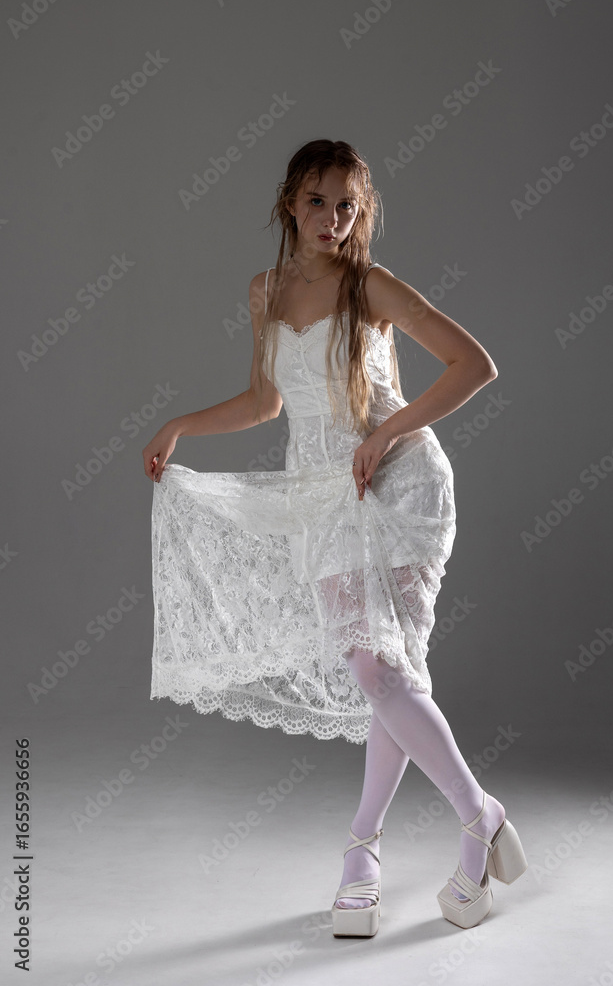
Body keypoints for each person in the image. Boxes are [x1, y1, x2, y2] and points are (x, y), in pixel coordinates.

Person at [141, 139, 527, 938]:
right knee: (383, 675)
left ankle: (470, 817)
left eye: (348, 203)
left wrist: (387, 437)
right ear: (290, 203)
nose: (333, 217)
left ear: (363, 210)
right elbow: (264, 402)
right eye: (318, 201)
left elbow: (473, 364)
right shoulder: (264, 291)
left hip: (397, 485)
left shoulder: (371, 285)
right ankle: (369, 848)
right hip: (321, 499)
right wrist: (181, 423)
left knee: (376, 669)